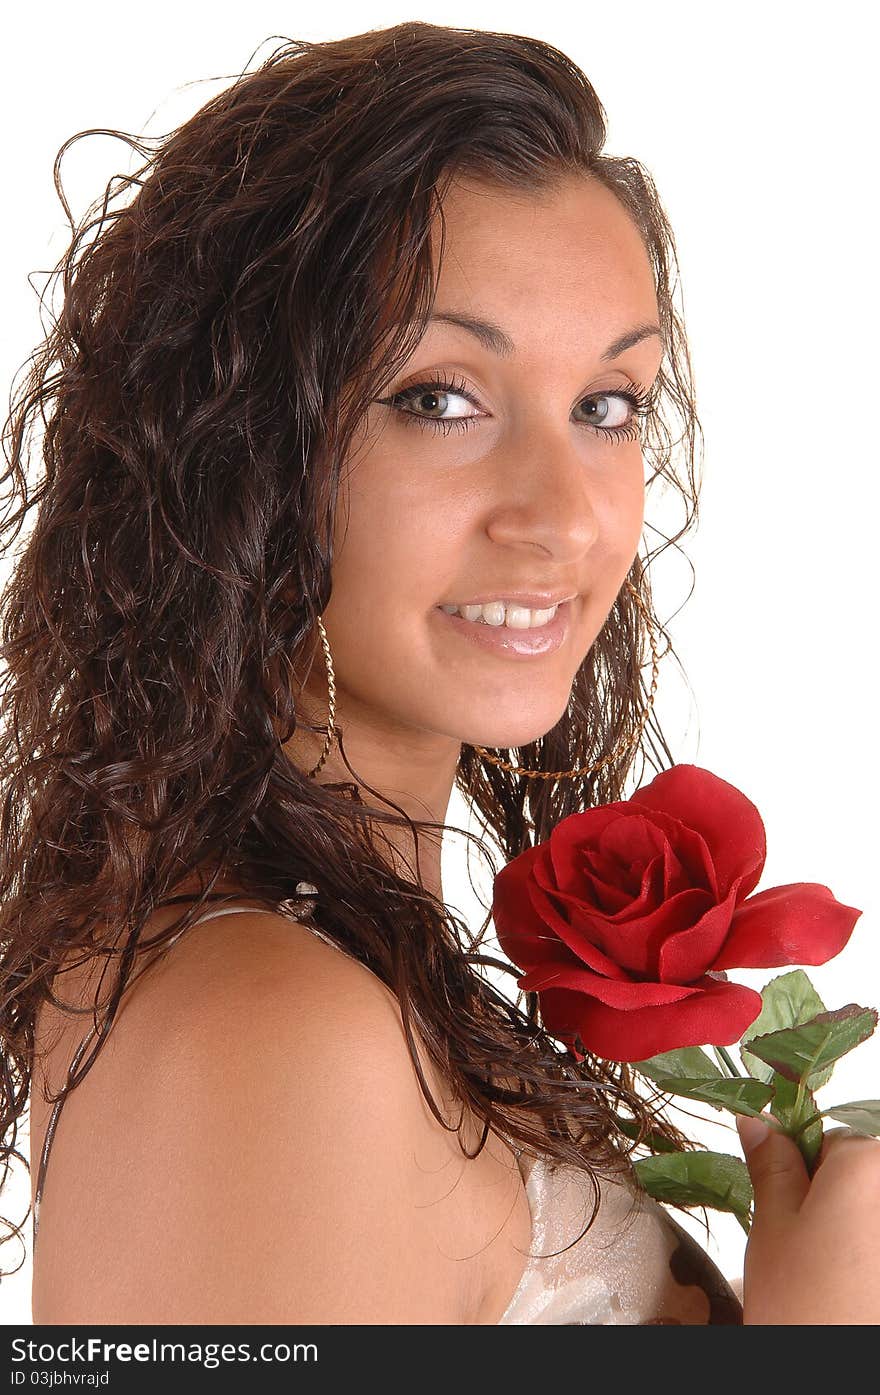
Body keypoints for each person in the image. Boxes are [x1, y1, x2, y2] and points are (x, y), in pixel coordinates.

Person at [1, 21, 878, 1326]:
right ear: (237, 445)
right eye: (440, 397)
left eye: (609, 404)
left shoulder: (310, 961)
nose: (566, 515)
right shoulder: (276, 1029)